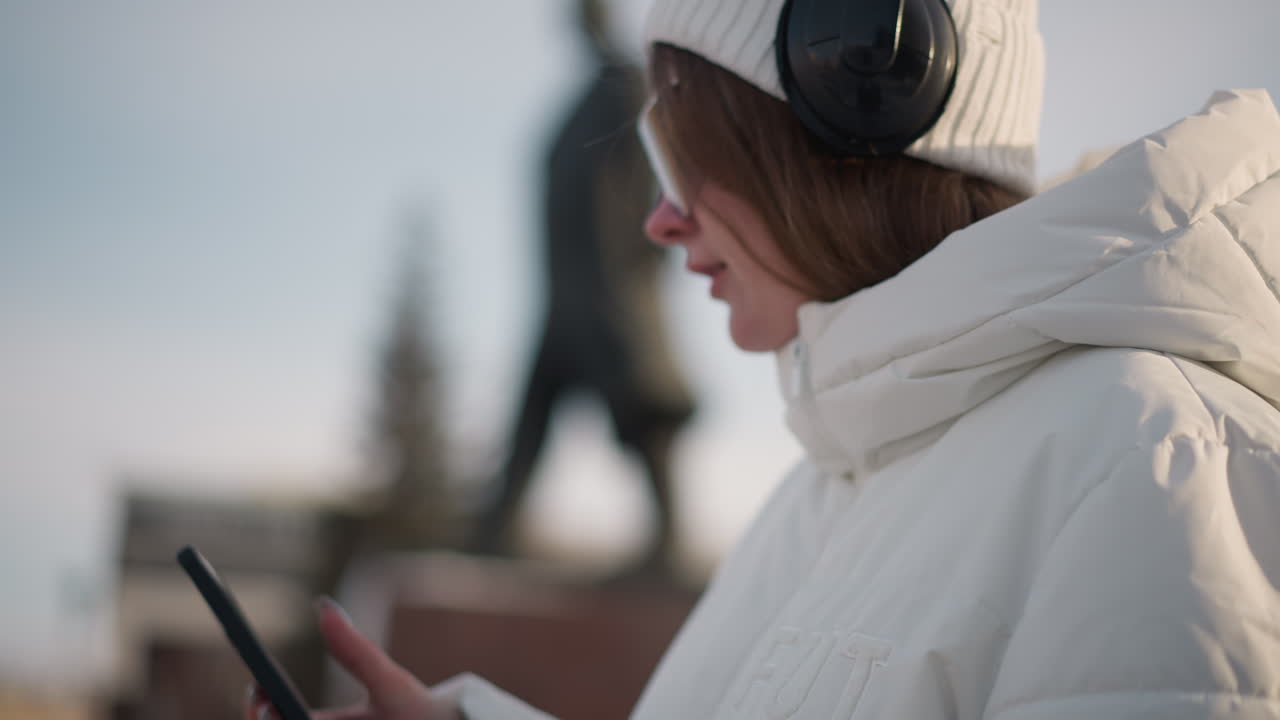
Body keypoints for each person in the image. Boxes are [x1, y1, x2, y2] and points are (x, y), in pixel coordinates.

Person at [249, 0, 1280, 718]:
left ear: (843, 122)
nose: (658, 218)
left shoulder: (1152, 460)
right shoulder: (835, 475)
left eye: (686, 158)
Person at [468, 0, 695, 572]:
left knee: (640, 412)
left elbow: (659, 163)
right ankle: (495, 531)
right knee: (532, 415)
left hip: (610, 288)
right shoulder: (580, 99)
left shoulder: (624, 83)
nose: (580, 29)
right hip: (563, 292)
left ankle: (668, 545)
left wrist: (647, 251)